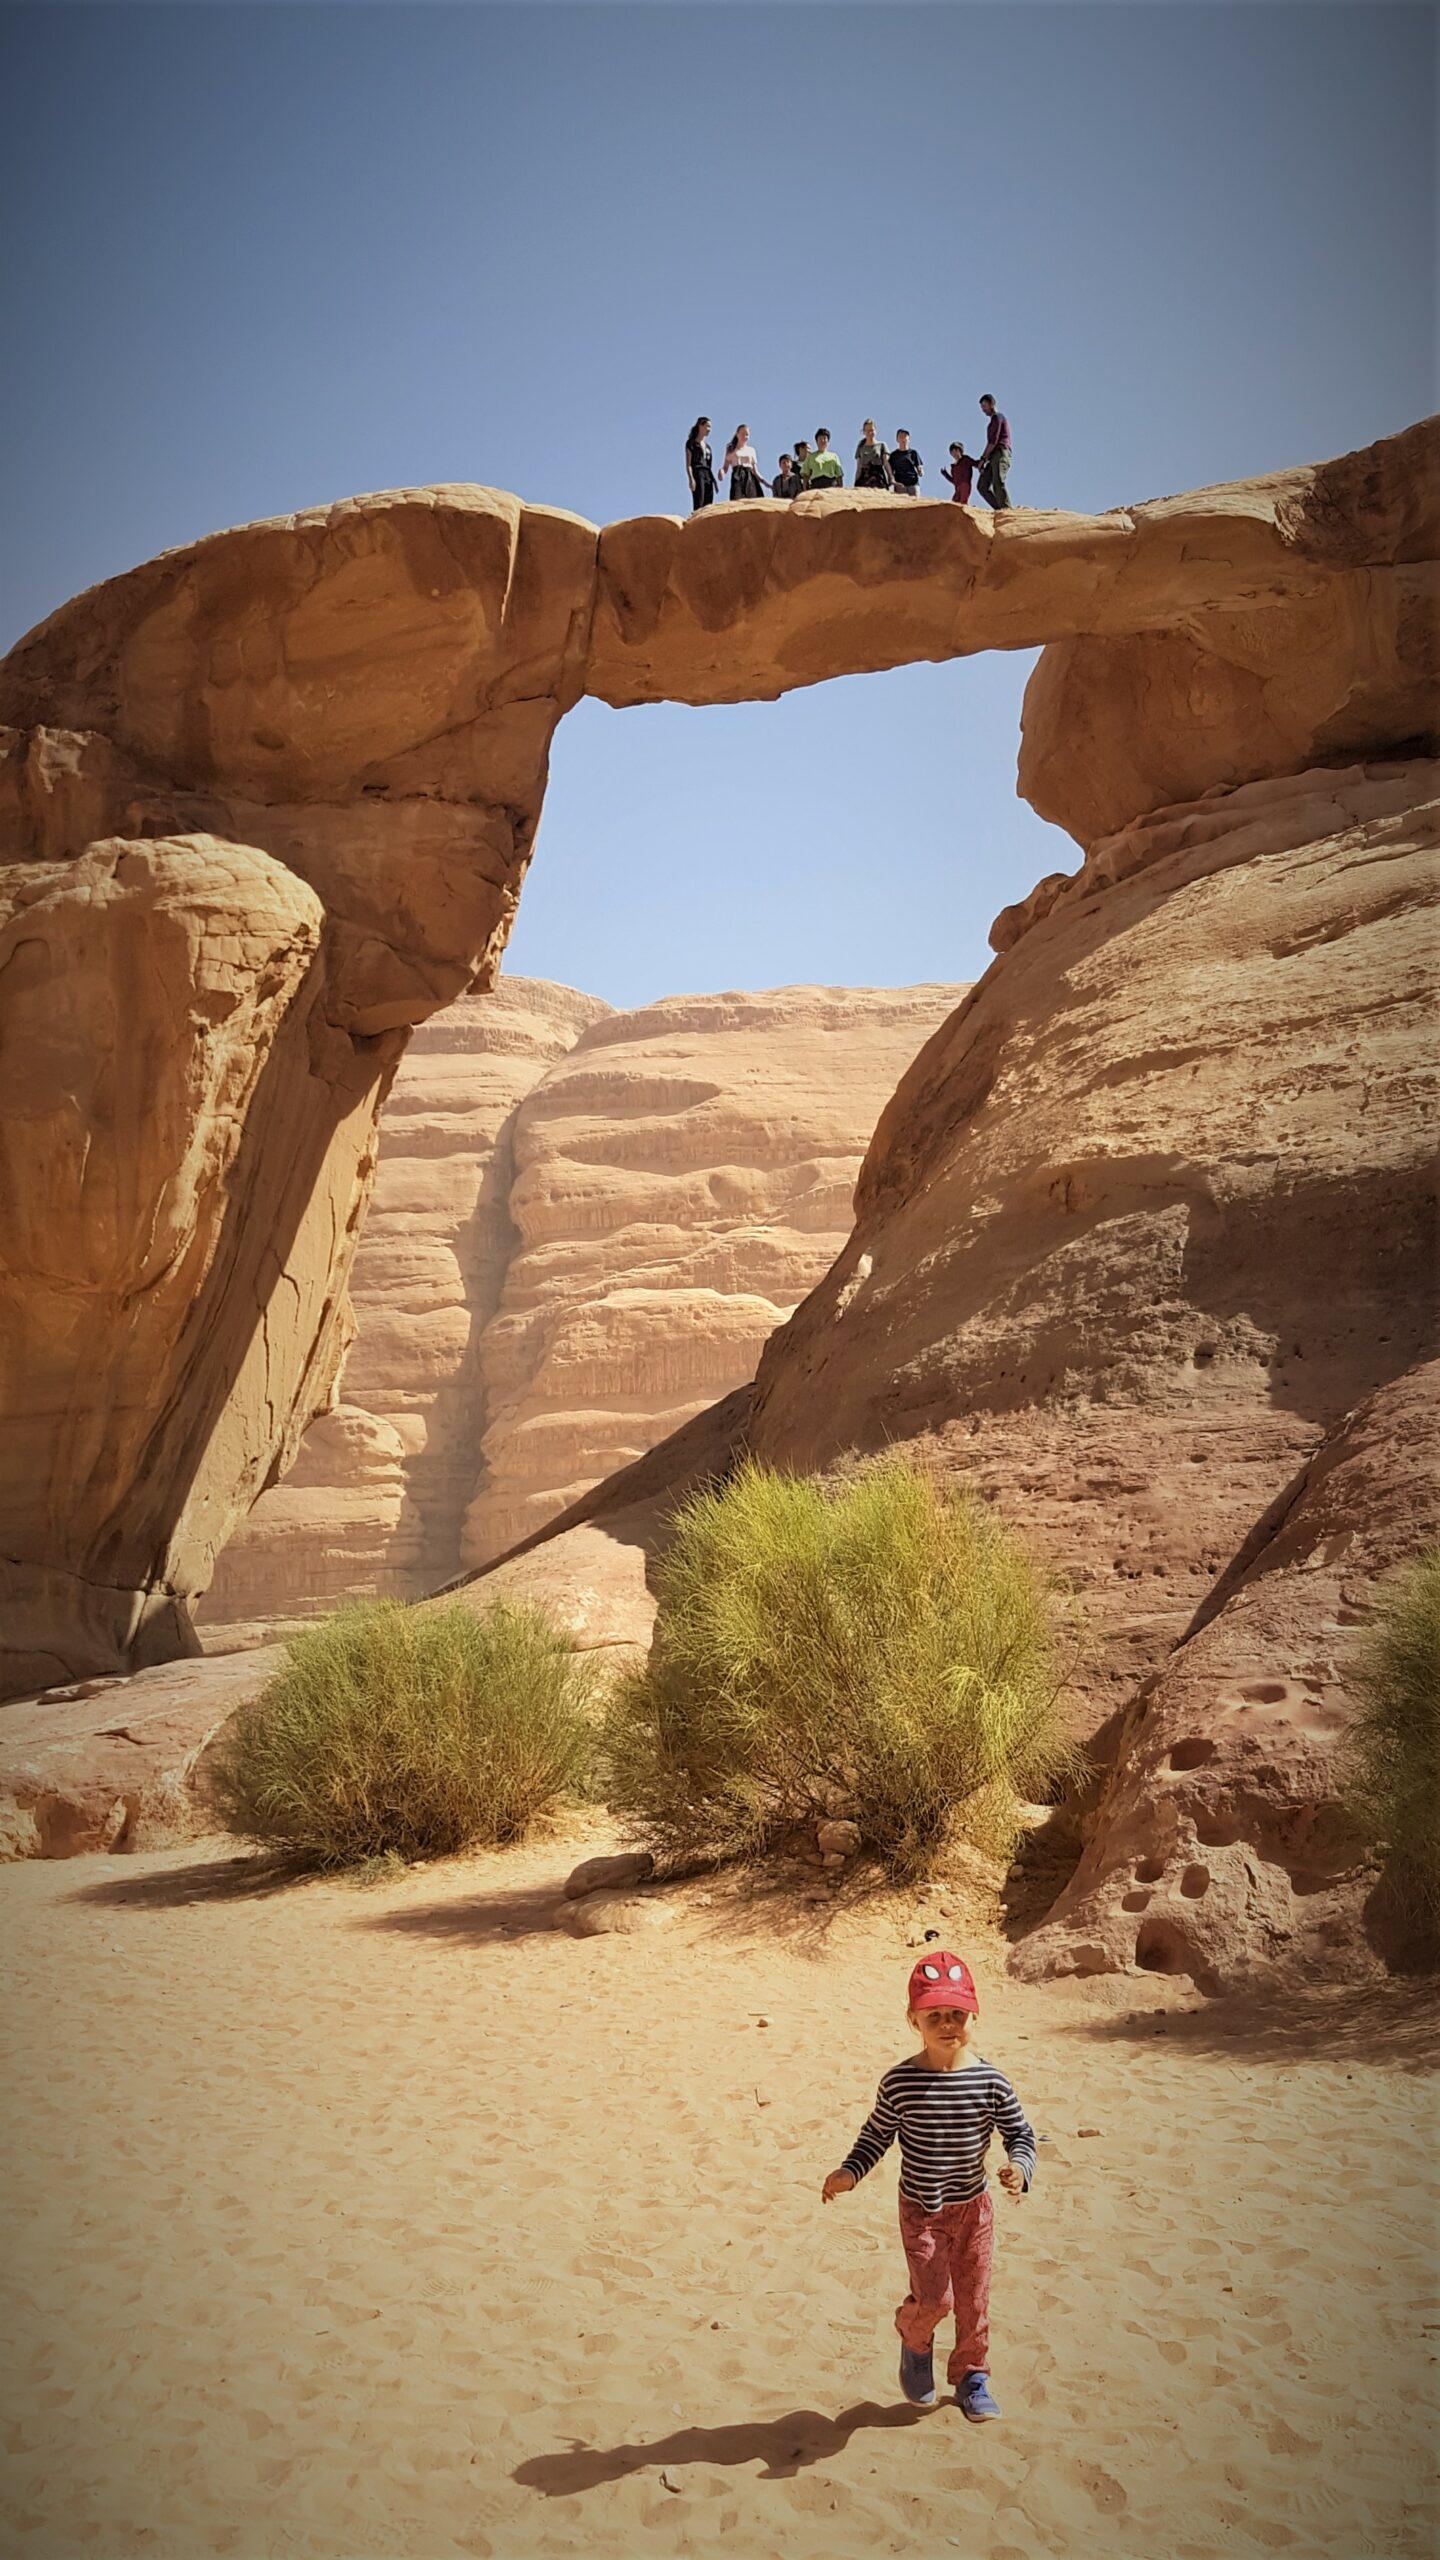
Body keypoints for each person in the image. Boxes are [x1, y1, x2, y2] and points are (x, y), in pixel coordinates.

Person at [821, 1951, 1035, 2423]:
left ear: (974, 2016)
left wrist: (1019, 2167)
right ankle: (914, 2341)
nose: (946, 2024)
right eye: (934, 2015)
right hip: (922, 2210)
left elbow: (1021, 2134)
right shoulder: (900, 2082)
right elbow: (876, 2134)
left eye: (957, 2014)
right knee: (936, 2299)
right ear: (912, 2019)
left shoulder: (991, 2081)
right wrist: (851, 2172)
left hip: (974, 2209)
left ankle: (972, 2378)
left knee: (974, 2299)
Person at [977, 396, 1012, 510]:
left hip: (1001, 453)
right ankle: (999, 509)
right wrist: (984, 460)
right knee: (982, 485)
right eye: (982, 407)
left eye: (984, 406)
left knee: (998, 482)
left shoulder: (998, 418)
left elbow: (993, 441)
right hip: (992, 456)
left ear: (992, 404)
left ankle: (1007, 510)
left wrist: (983, 459)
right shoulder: (993, 421)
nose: (983, 409)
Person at [723, 424, 765, 500]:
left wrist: (765, 483)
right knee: (737, 499)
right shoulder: (730, 449)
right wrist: (721, 472)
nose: (745, 436)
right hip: (737, 476)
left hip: (750, 477)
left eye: (747, 434)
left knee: (752, 500)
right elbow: (725, 467)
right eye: (743, 434)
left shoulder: (751, 450)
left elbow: (755, 471)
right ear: (737, 434)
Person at [685, 418, 716, 512]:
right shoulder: (691, 443)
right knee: (699, 500)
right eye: (707, 426)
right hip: (697, 473)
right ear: (700, 426)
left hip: (708, 474)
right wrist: (691, 478)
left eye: (710, 427)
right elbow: (688, 464)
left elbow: (709, 464)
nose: (709, 429)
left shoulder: (708, 447)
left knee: (709, 502)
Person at [853, 420, 891, 489]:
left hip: (878, 478)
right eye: (867, 430)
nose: (870, 433)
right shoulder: (860, 446)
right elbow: (859, 467)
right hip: (864, 478)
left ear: (875, 431)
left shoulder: (882, 445)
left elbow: (886, 464)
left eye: (872, 430)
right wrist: (855, 483)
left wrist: (891, 478)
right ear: (864, 432)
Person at [889, 429, 923, 495]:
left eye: (905, 436)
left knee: (916, 503)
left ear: (909, 439)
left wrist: (920, 471)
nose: (903, 439)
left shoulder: (913, 453)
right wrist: (892, 481)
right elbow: (890, 471)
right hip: (900, 485)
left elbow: (919, 466)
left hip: (913, 484)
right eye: (900, 437)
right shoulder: (893, 455)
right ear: (897, 439)